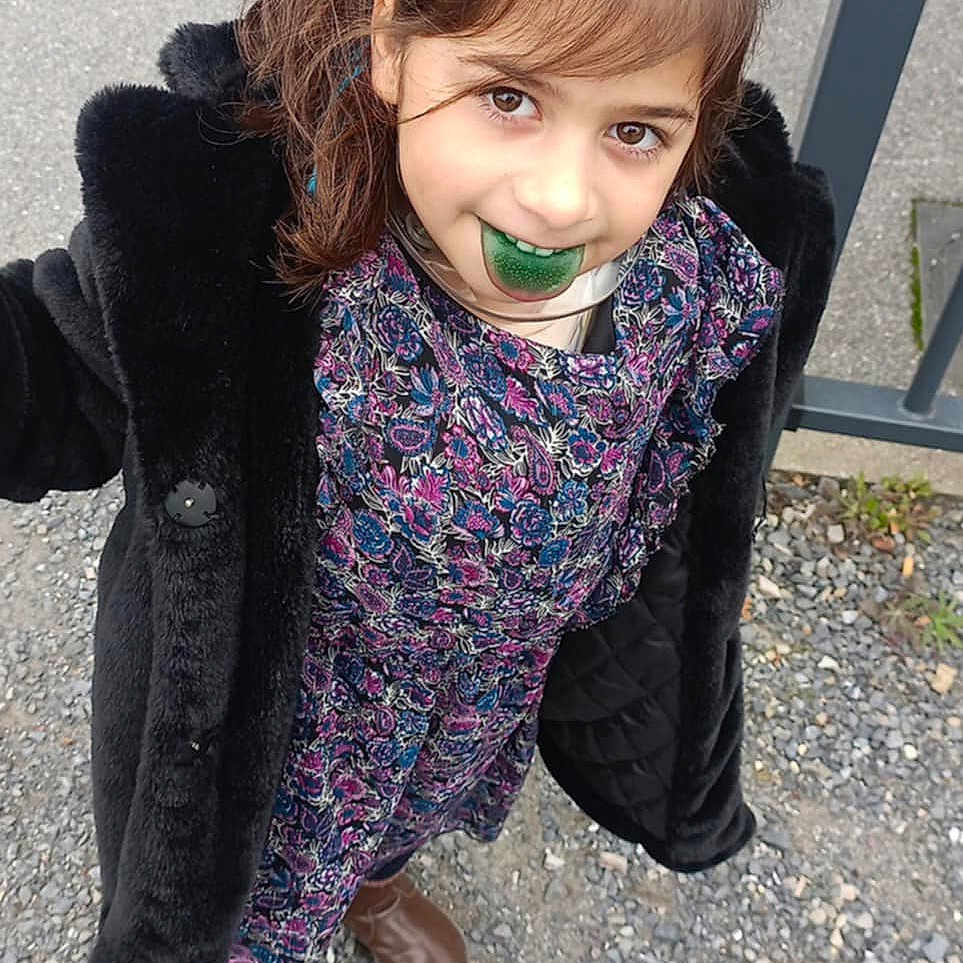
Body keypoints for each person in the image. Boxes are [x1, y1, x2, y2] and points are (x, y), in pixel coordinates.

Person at [0, 0, 835, 960]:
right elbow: (47, 363)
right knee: (235, 895)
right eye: (509, 97)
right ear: (394, 47)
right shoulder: (238, 243)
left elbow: (703, 471)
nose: (562, 198)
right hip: (276, 723)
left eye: (634, 131)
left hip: (478, 695)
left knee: (410, 807)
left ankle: (376, 879)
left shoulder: (691, 273)